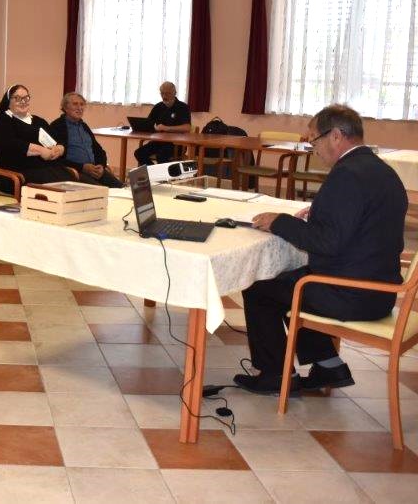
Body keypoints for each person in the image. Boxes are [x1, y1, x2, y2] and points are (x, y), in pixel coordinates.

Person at [234, 105, 407, 394]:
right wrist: (319, 215)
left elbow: (326, 243)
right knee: (292, 280)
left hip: (352, 293)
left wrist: (280, 222)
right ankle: (328, 366)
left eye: (314, 139)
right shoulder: (381, 170)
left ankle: (274, 375)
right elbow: (358, 224)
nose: (313, 148)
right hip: (381, 288)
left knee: (259, 287)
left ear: (336, 135)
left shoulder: (347, 175)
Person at [0, 84, 71, 184]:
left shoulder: (38, 121)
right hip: (17, 172)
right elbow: (6, 144)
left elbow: (58, 139)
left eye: (26, 98)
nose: (23, 101)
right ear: (8, 101)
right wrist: (39, 150)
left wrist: (60, 148)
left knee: (72, 180)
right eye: (17, 98)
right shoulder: (3, 121)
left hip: (46, 169)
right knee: (58, 182)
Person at [49, 92, 122, 188]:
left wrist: (101, 165)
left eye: (82, 104)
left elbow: (99, 150)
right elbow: (56, 159)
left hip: (94, 170)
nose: (79, 108)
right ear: (65, 108)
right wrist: (82, 167)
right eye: (75, 104)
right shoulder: (57, 127)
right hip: (74, 172)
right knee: (102, 191)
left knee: (122, 188)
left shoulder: (84, 126)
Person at [134, 81, 192, 166]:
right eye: (162, 93)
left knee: (161, 156)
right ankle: (153, 172)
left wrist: (166, 128)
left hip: (176, 144)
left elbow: (187, 127)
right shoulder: (158, 107)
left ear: (174, 93)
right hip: (159, 141)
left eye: (167, 93)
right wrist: (144, 127)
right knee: (139, 153)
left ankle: (161, 173)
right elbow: (148, 123)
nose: (164, 96)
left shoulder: (183, 107)